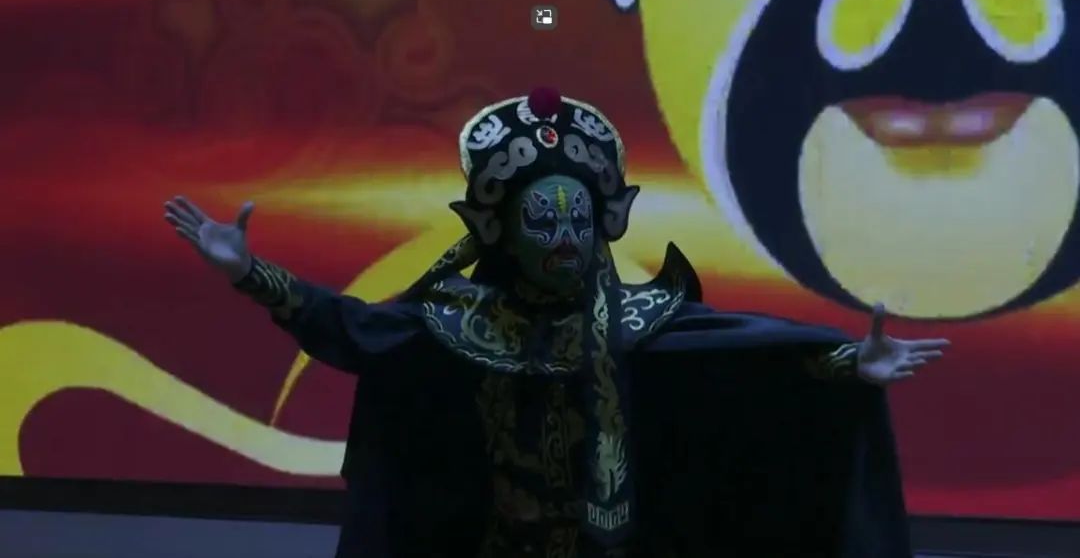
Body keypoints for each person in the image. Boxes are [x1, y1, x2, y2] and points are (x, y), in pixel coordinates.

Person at [163, 88, 948, 558]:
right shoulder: (457, 321)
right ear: (500, 228)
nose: (565, 237)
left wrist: (846, 365)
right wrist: (248, 271)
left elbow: (754, 364)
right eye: (543, 220)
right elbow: (350, 330)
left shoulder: (640, 321)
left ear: (604, 224)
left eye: (578, 220)